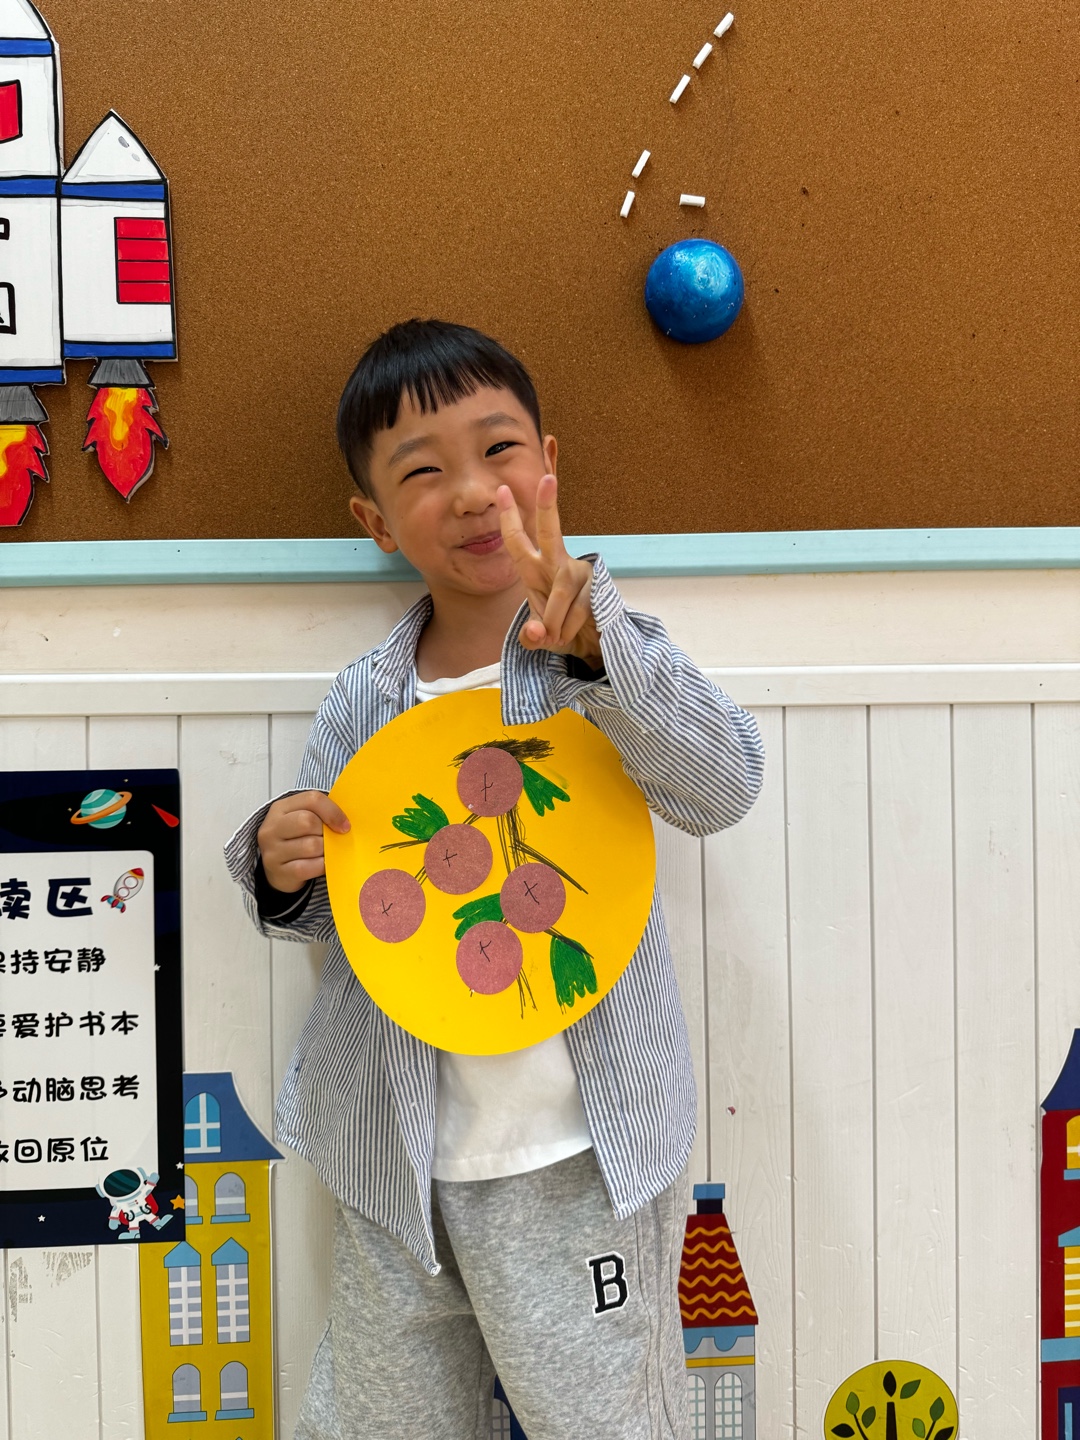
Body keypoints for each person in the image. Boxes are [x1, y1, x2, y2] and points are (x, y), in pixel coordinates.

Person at [224, 318, 764, 1440]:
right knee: (379, 1422)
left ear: (549, 465)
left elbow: (722, 786)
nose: (474, 492)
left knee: (608, 1421)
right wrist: (279, 864)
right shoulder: (366, 698)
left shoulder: (603, 656)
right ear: (376, 523)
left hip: (581, 1160)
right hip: (394, 1158)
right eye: (424, 471)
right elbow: (348, 912)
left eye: (499, 449)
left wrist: (601, 651)